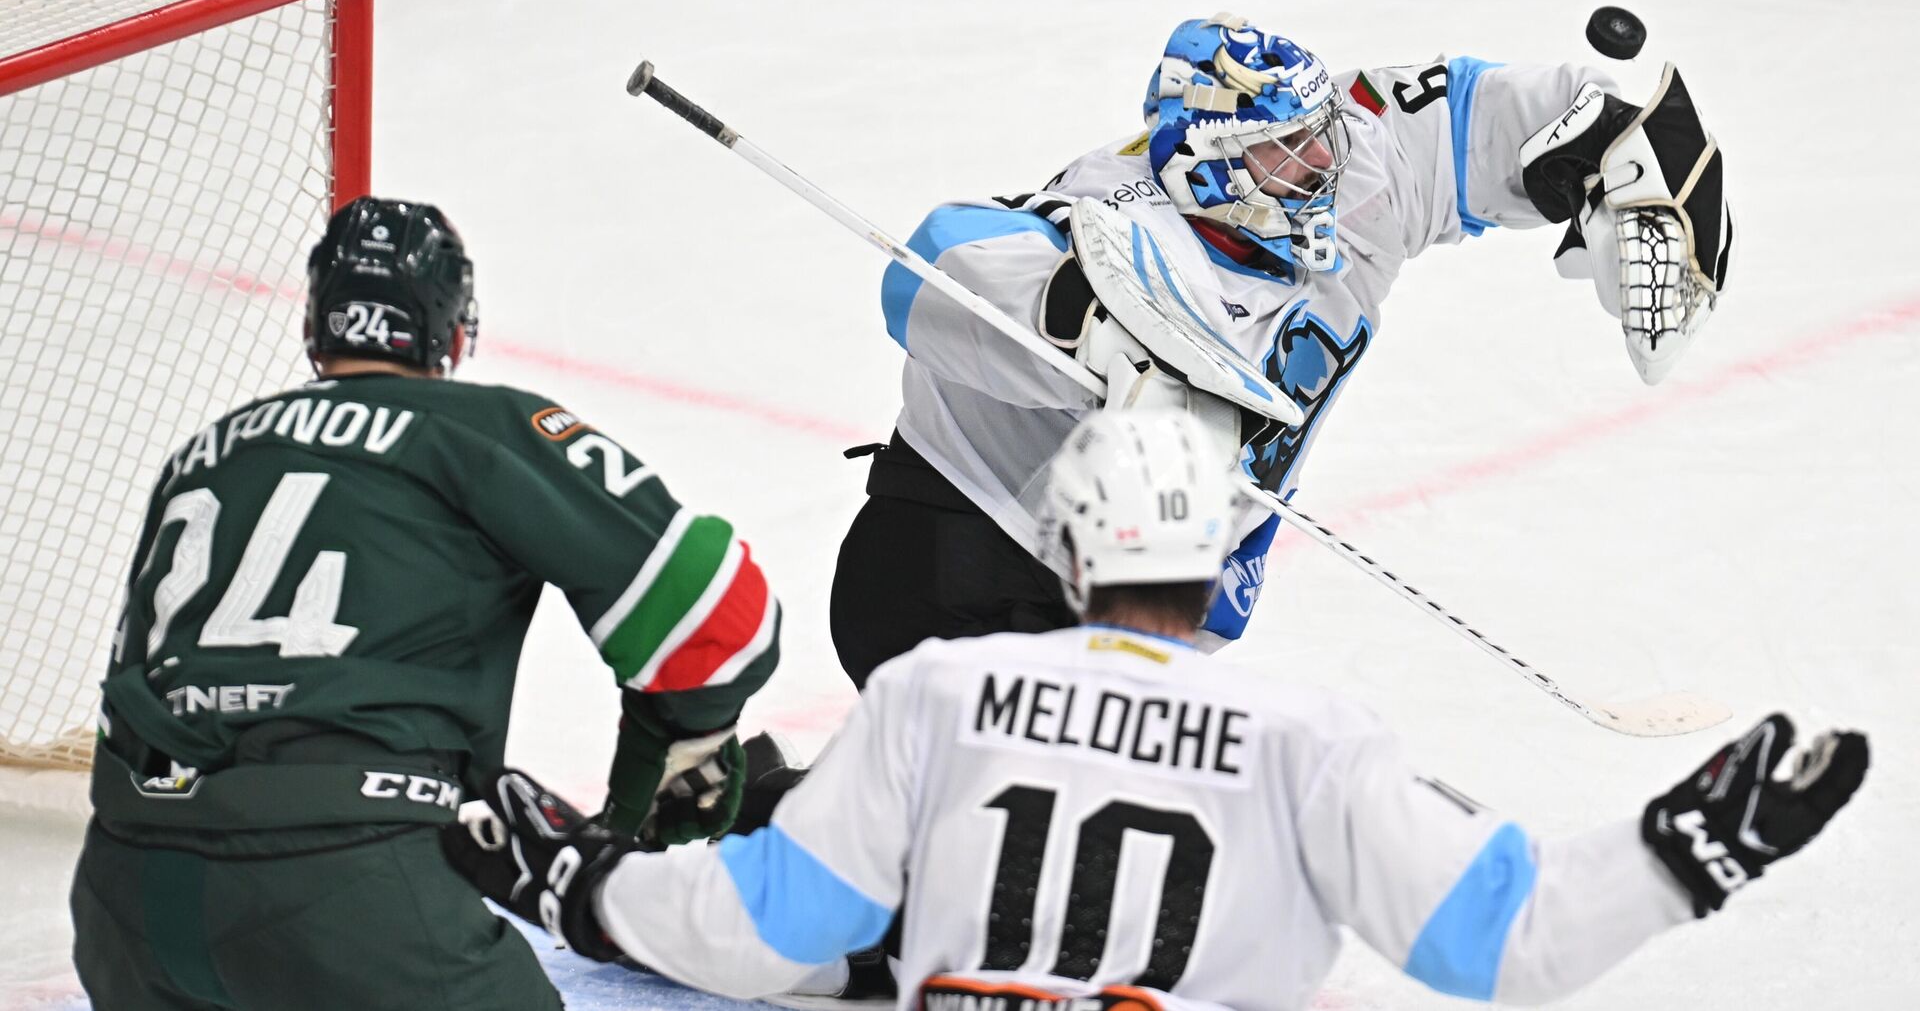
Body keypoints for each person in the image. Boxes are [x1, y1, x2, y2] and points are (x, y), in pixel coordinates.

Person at [447, 408, 1862, 1011]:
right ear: (1213, 555)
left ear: (1065, 550)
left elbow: (773, 928)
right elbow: (1506, 939)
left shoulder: (940, 694)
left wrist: (581, 881)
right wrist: (1685, 851)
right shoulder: (1309, 737)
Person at [830, 12, 1735, 688]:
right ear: (1210, 163)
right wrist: (1096, 332)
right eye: (1285, 151)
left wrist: (1615, 137)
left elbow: (1470, 116)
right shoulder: (1120, 223)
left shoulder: (1352, 168)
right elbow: (936, 265)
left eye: (1317, 133)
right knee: (1002, 852)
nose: (1321, 163)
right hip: (959, 566)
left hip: (1133, 608)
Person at [67, 197, 781, 1011]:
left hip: (126, 898)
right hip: (348, 888)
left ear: (317, 320)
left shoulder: (201, 455)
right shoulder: (477, 428)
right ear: (452, 329)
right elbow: (719, 610)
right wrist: (678, 745)